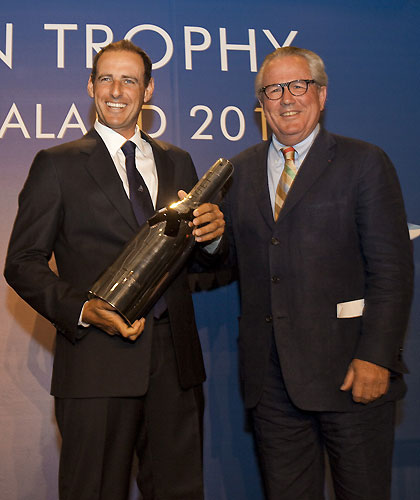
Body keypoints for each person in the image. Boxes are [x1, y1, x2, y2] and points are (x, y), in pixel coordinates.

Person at [4, 40, 225, 500]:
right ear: (90, 87)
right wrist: (85, 310)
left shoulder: (178, 160)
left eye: (130, 79)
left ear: (148, 91)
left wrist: (215, 235)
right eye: (106, 78)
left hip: (175, 367)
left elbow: (200, 264)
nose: (117, 90)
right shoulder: (56, 164)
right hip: (96, 364)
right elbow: (22, 263)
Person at [223, 46, 413, 500]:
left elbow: (391, 270)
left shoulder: (365, 162)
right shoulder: (237, 171)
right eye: (273, 89)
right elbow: (226, 262)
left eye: (298, 86)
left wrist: (377, 356)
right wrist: (209, 240)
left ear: (321, 95)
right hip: (272, 384)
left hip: (351, 374)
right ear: (261, 104)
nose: (286, 98)